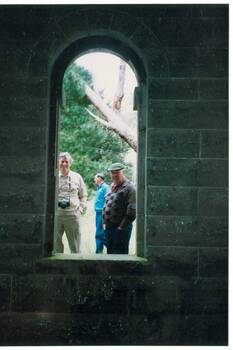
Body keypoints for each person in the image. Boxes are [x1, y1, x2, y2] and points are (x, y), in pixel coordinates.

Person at [55, 152, 87, 253]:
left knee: (75, 246)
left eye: (66, 162)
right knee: (56, 246)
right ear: (58, 163)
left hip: (72, 216)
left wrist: (81, 209)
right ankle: (57, 267)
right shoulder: (53, 176)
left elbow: (84, 195)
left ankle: (76, 267)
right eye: (62, 162)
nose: (64, 164)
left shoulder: (77, 177)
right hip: (57, 216)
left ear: (70, 163)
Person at [102, 163, 136, 254]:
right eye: (112, 173)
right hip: (109, 228)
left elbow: (132, 213)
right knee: (110, 255)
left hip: (121, 229)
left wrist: (120, 228)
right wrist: (105, 223)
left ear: (122, 172)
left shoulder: (130, 187)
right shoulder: (112, 186)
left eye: (117, 172)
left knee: (120, 256)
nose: (114, 175)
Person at [94, 173, 109, 254]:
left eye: (95, 177)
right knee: (99, 232)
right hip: (97, 213)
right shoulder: (99, 187)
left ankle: (99, 252)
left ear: (100, 178)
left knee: (99, 233)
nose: (94, 179)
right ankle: (100, 250)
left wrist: (104, 213)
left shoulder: (105, 187)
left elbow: (108, 200)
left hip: (102, 213)